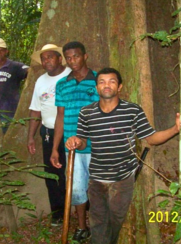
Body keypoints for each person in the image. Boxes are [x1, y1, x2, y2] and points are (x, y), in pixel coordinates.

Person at [65, 67, 181, 244]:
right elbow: (83, 140)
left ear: (120, 87)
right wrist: (76, 141)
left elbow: (152, 138)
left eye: (111, 81)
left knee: (115, 222)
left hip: (122, 179)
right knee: (97, 223)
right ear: (96, 88)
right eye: (101, 82)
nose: (106, 85)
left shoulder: (132, 111)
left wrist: (175, 129)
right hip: (96, 179)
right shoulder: (86, 112)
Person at [50, 41, 100, 242]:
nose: (73, 61)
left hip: (97, 146)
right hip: (71, 148)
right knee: (77, 189)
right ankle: (82, 227)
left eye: (76, 56)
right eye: (69, 58)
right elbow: (60, 117)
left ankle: (100, 227)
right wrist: (55, 148)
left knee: (98, 188)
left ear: (85, 56)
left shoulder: (99, 80)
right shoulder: (62, 84)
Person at [27, 44, 71, 226]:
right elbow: (36, 111)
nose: (46, 61)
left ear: (59, 58)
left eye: (50, 57)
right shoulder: (40, 81)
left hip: (71, 131)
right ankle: (58, 213)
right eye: (44, 58)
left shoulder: (70, 76)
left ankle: (84, 208)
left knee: (76, 170)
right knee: (53, 174)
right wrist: (31, 136)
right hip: (48, 133)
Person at [0, 38, 29, 136]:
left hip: (11, 113)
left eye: (2, 50)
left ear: (6, 51)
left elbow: (30, 71)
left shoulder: (14, 66)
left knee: (10, 141)